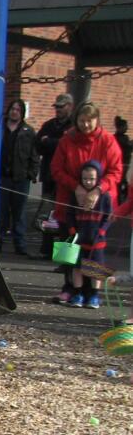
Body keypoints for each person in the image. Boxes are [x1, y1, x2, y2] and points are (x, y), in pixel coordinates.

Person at [50, 102, 123, 302]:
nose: (85, 125)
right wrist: (77, 187)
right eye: (81, 121)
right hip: (70, 202)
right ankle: (70, 286)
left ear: (97, 120)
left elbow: (116, 171)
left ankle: (92, 291)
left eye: (89, 121)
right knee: (68, 246)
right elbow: (56, 169)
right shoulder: (67, 140)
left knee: (95, 249)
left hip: (99, 205)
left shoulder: (108, 141)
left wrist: (99, 189)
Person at [63, 160, 113, 309]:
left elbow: (109, 216)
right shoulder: (75, 195)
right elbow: (69, 214)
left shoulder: (105, 197)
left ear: (98, 178)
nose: (88, 182)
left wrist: (103, 231)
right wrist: (72, 229)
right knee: (77, 267)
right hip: (79, 237)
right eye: (85, 179)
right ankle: (78, 293)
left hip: (97, 238)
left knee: (95, 269)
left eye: (91, 178)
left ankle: (94, 295)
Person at [34, 92, 76, 256]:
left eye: (61, 107)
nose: (57, 110)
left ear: (69, 107)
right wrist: (52, 142)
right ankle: (46, 250)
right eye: (56, 107)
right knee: (47, 215)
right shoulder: (49, 124)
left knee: (65, 218)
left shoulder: (73, 126)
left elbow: (65, 146)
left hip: (66, 180)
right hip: (49, 177)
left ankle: (62, 256)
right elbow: (37, 144)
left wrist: (49, 141)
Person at [0, 99, 36, 255]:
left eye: (18, 109)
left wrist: (31, 174)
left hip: (20, 178)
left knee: (19, 214)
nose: (14, 112)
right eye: (12, 108)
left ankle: (20, 245)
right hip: (3, 177)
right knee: (1, 213)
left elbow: (34, 154)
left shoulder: (28, 131)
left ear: (22, 113)